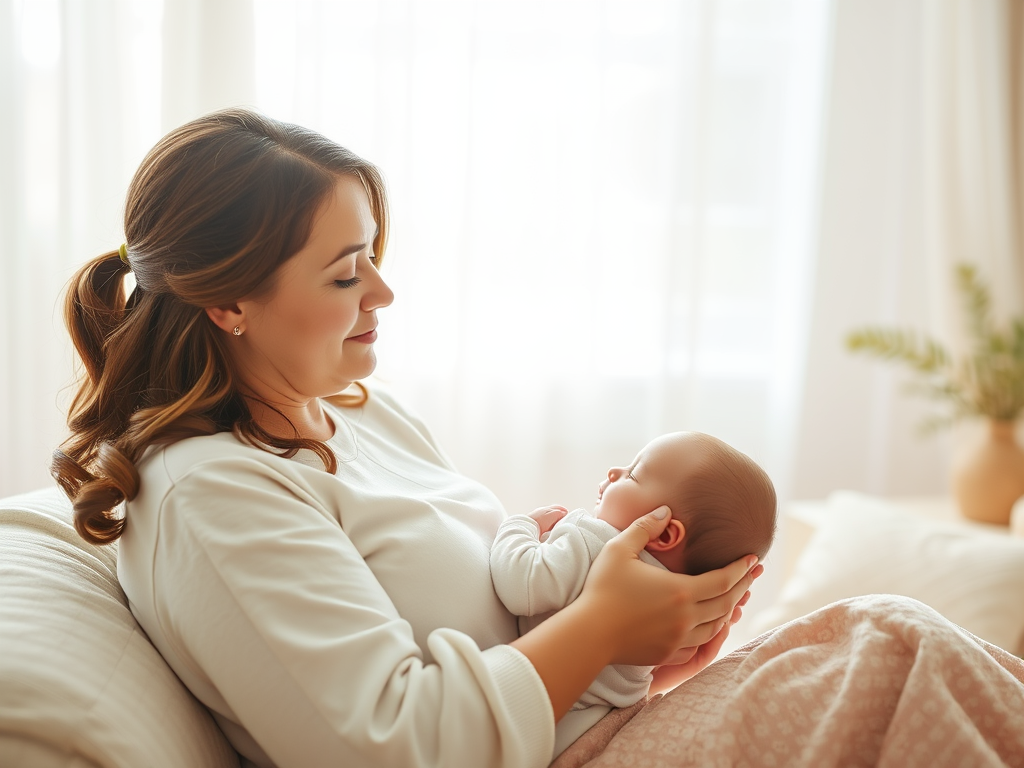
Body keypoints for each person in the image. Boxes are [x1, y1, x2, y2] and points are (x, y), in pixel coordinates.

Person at [50, 109, 761, 768]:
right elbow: (397, 745)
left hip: (594, 731)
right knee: (872, 648)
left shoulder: (364, 413)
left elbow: (515, 646)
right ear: (229, 302)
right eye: (342, 275)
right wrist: (605, 625)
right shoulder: (213, 493)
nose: (382, 292)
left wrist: (650, 653)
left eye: (371, 257)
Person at [490, 432, 777, 757]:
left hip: (523, 732)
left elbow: (521, 584)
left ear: (665, 532)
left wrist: (518, 526)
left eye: (634, 474)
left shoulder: (593, 540)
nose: (615, 471)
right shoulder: (670, 616)